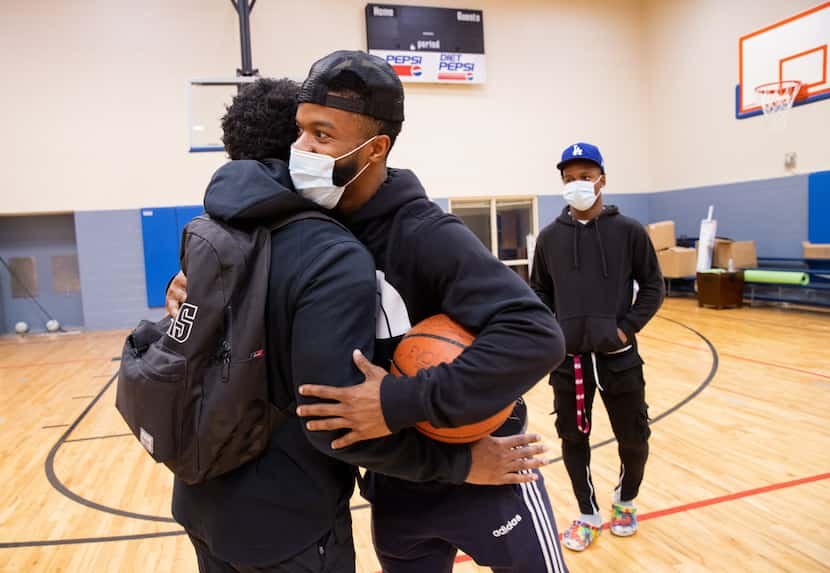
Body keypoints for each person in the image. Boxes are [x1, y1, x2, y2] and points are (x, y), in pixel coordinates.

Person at [169, 52, 569, 572]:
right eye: (300, 131)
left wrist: (400, 399)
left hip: (486, 467)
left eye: (322, 135)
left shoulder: (427, 235)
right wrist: (194, 293)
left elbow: (537, 335)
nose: (302, 150)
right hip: (395, 481)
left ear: (375, 148)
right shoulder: (309, 226)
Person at [529, 142, 665, 552]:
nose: (577, 185)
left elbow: (654, 288)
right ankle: (587, 514)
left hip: (619, 359)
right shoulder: (550, 237)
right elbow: (538, 292)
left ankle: (625, 501)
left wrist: (624, 330)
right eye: (569, 179)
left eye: (585, 177)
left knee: (634, 439)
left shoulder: (629, 232)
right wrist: (554, 333)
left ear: (602, 179)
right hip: (568, 362)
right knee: (574, 441)